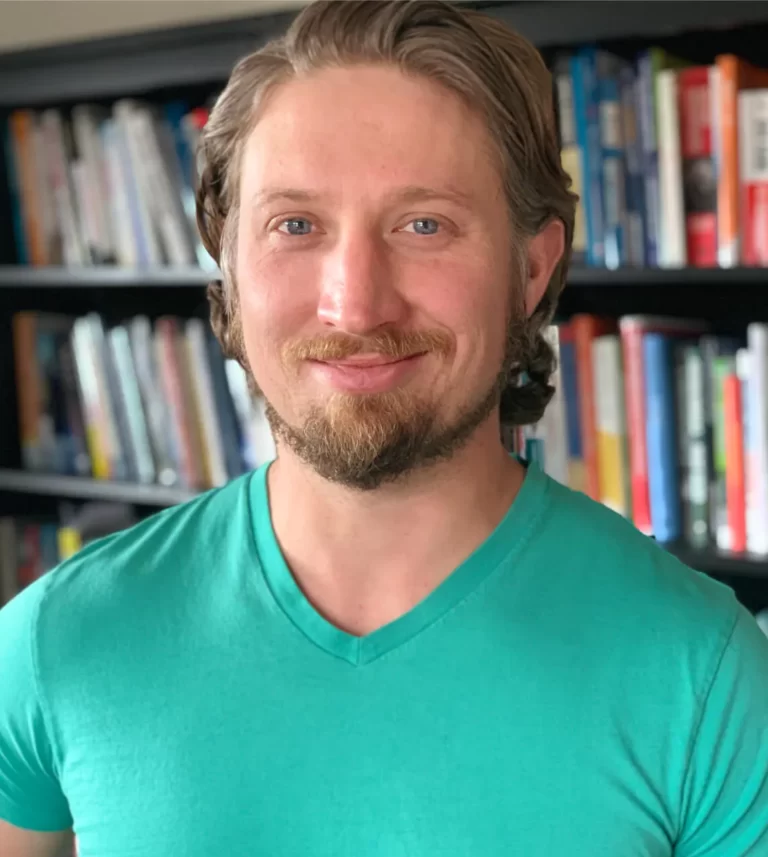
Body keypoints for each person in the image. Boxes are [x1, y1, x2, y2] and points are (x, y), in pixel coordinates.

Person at [1, 1, 767, 854]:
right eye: (295, 225)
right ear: (230, 264)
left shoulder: (709, 678)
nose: (355, 302)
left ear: (532, 267)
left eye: (424, 224)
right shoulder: (52, 641)